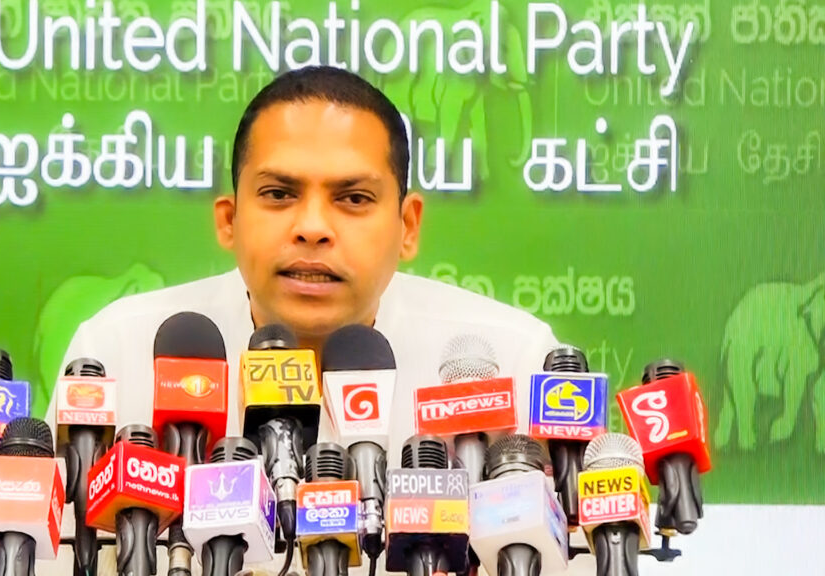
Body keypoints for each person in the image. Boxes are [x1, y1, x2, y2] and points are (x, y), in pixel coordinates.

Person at [45, 65, 558, 575]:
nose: (312, 228)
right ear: (229, 220)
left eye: (353, 198)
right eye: (279, 194)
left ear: (407, 226)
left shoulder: (511, 362)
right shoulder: (119, 352)